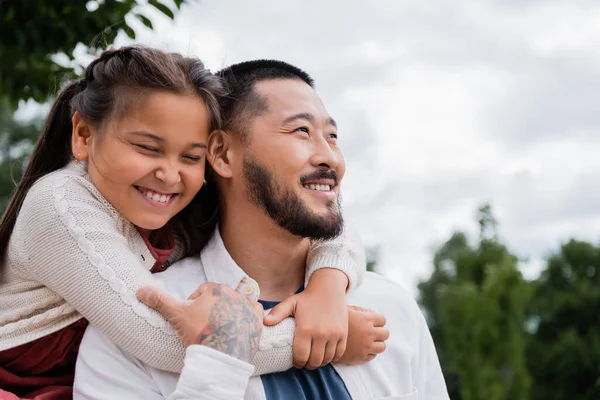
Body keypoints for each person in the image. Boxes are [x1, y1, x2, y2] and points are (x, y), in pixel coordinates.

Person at [0, 48, 375, 400]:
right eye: (147, 148)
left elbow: (324, 218)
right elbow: (157, 337)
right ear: (83, 135)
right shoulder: (62, 203)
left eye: (191, 156)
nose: (169, 174)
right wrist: (324, 341)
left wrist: (327, 287)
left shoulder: (181, 196)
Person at [73, 60, 449, 399]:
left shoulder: (390, 309)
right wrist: (220, 359)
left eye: (332, 136)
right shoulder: (133, 331)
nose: (329, 157)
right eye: (301, 131)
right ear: (221, 155)